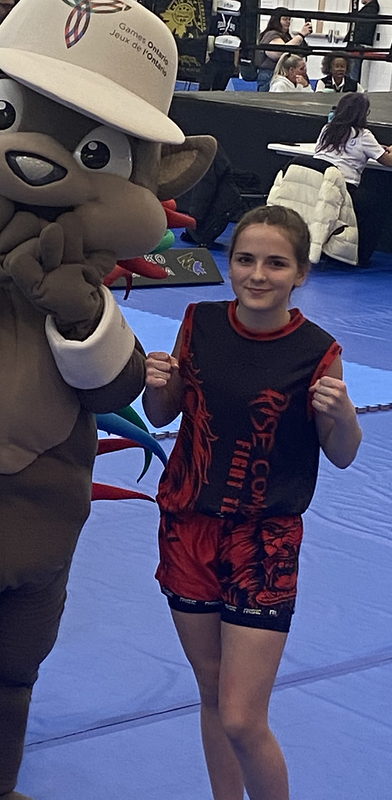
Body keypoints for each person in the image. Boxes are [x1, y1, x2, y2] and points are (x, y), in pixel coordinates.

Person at [143, 203, 362, 800]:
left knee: (242, 714)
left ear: (300, 274)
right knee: (212, 695)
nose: (258, 275)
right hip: (187, 527)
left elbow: (342, 452)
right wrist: (157, 388)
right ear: (230, 263)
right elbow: (165, 416)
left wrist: (343, 416)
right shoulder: (198, 322)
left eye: (275, 263)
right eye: (245, 259)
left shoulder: (318, 350)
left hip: (263, 541)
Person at [313, 91, 392, 264]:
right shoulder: (363, 135)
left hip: (318, 186)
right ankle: (361, 256)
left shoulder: (327, 129)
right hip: (344, 191)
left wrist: (375, 147)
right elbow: (388, 161)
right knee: (378, 206)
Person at [255, 8, 311, 92]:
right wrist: (301, 35)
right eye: (285, 19)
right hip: (270, 74)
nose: (288, 22)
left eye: (289, 19)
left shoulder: (287, 36)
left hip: (282, 76)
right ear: (276, 20)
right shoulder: (271, 34)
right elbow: (279, 52)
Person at [346, 0, 379, 82]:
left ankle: (352, 90)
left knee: (353, 72)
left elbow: (361, 28)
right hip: (359, 44)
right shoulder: (370, 8)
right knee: (352, 71)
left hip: (359, 44)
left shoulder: (370, 9)